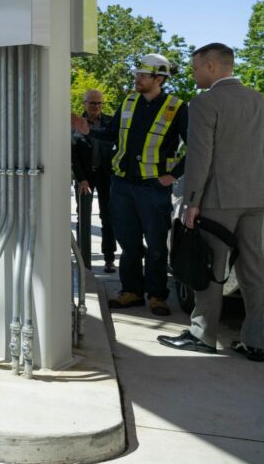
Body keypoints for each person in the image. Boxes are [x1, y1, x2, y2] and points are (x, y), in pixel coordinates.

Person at [157, 43, 264, 361]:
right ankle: (253, 341)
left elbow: (199, 156)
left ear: (211, 66)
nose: (193, 74)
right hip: (255, 198)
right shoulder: (261, 101)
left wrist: (191, 202)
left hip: (218, 199)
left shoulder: (205, 103)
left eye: (194, 68)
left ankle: (201, 335)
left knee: (208, 266)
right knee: (254, 269)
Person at [74, 53, 187, 316]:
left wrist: (173, 175)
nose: (137, 78)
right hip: (122, 185)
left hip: (153, 189)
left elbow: (196, 146)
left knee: (157, 245)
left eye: (142, 75)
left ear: (159, 78)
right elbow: (111, 133)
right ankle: (131, 291)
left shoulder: (177, 107)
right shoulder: (129, 101)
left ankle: (157, 295)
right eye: (136, 74)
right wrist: (88, 131)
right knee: (129, 243)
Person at [72, 89, 117, 273]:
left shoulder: (110, 122)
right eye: (92, 103)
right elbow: (72, 153)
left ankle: (109, 259)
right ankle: (83, 259)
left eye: (99, 103)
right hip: (86, 177)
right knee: (83, 215)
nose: (96, 106)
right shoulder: (76, 124)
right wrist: (81, 178)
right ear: (84, 104)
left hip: (107, 176)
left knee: (108, 218)